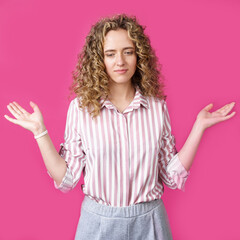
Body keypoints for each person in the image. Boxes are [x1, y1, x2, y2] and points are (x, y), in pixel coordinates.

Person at [4, 14, 236, 240]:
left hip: (150, 223)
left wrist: (199, 126)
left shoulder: (157, 108)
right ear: (99, 60)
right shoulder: (81, 109)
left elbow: (171, 175)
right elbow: (67, 179)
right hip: (97, 224)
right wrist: (40, 133)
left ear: (139, 56)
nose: (120, 62)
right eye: (110, 54)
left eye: (128, 52)